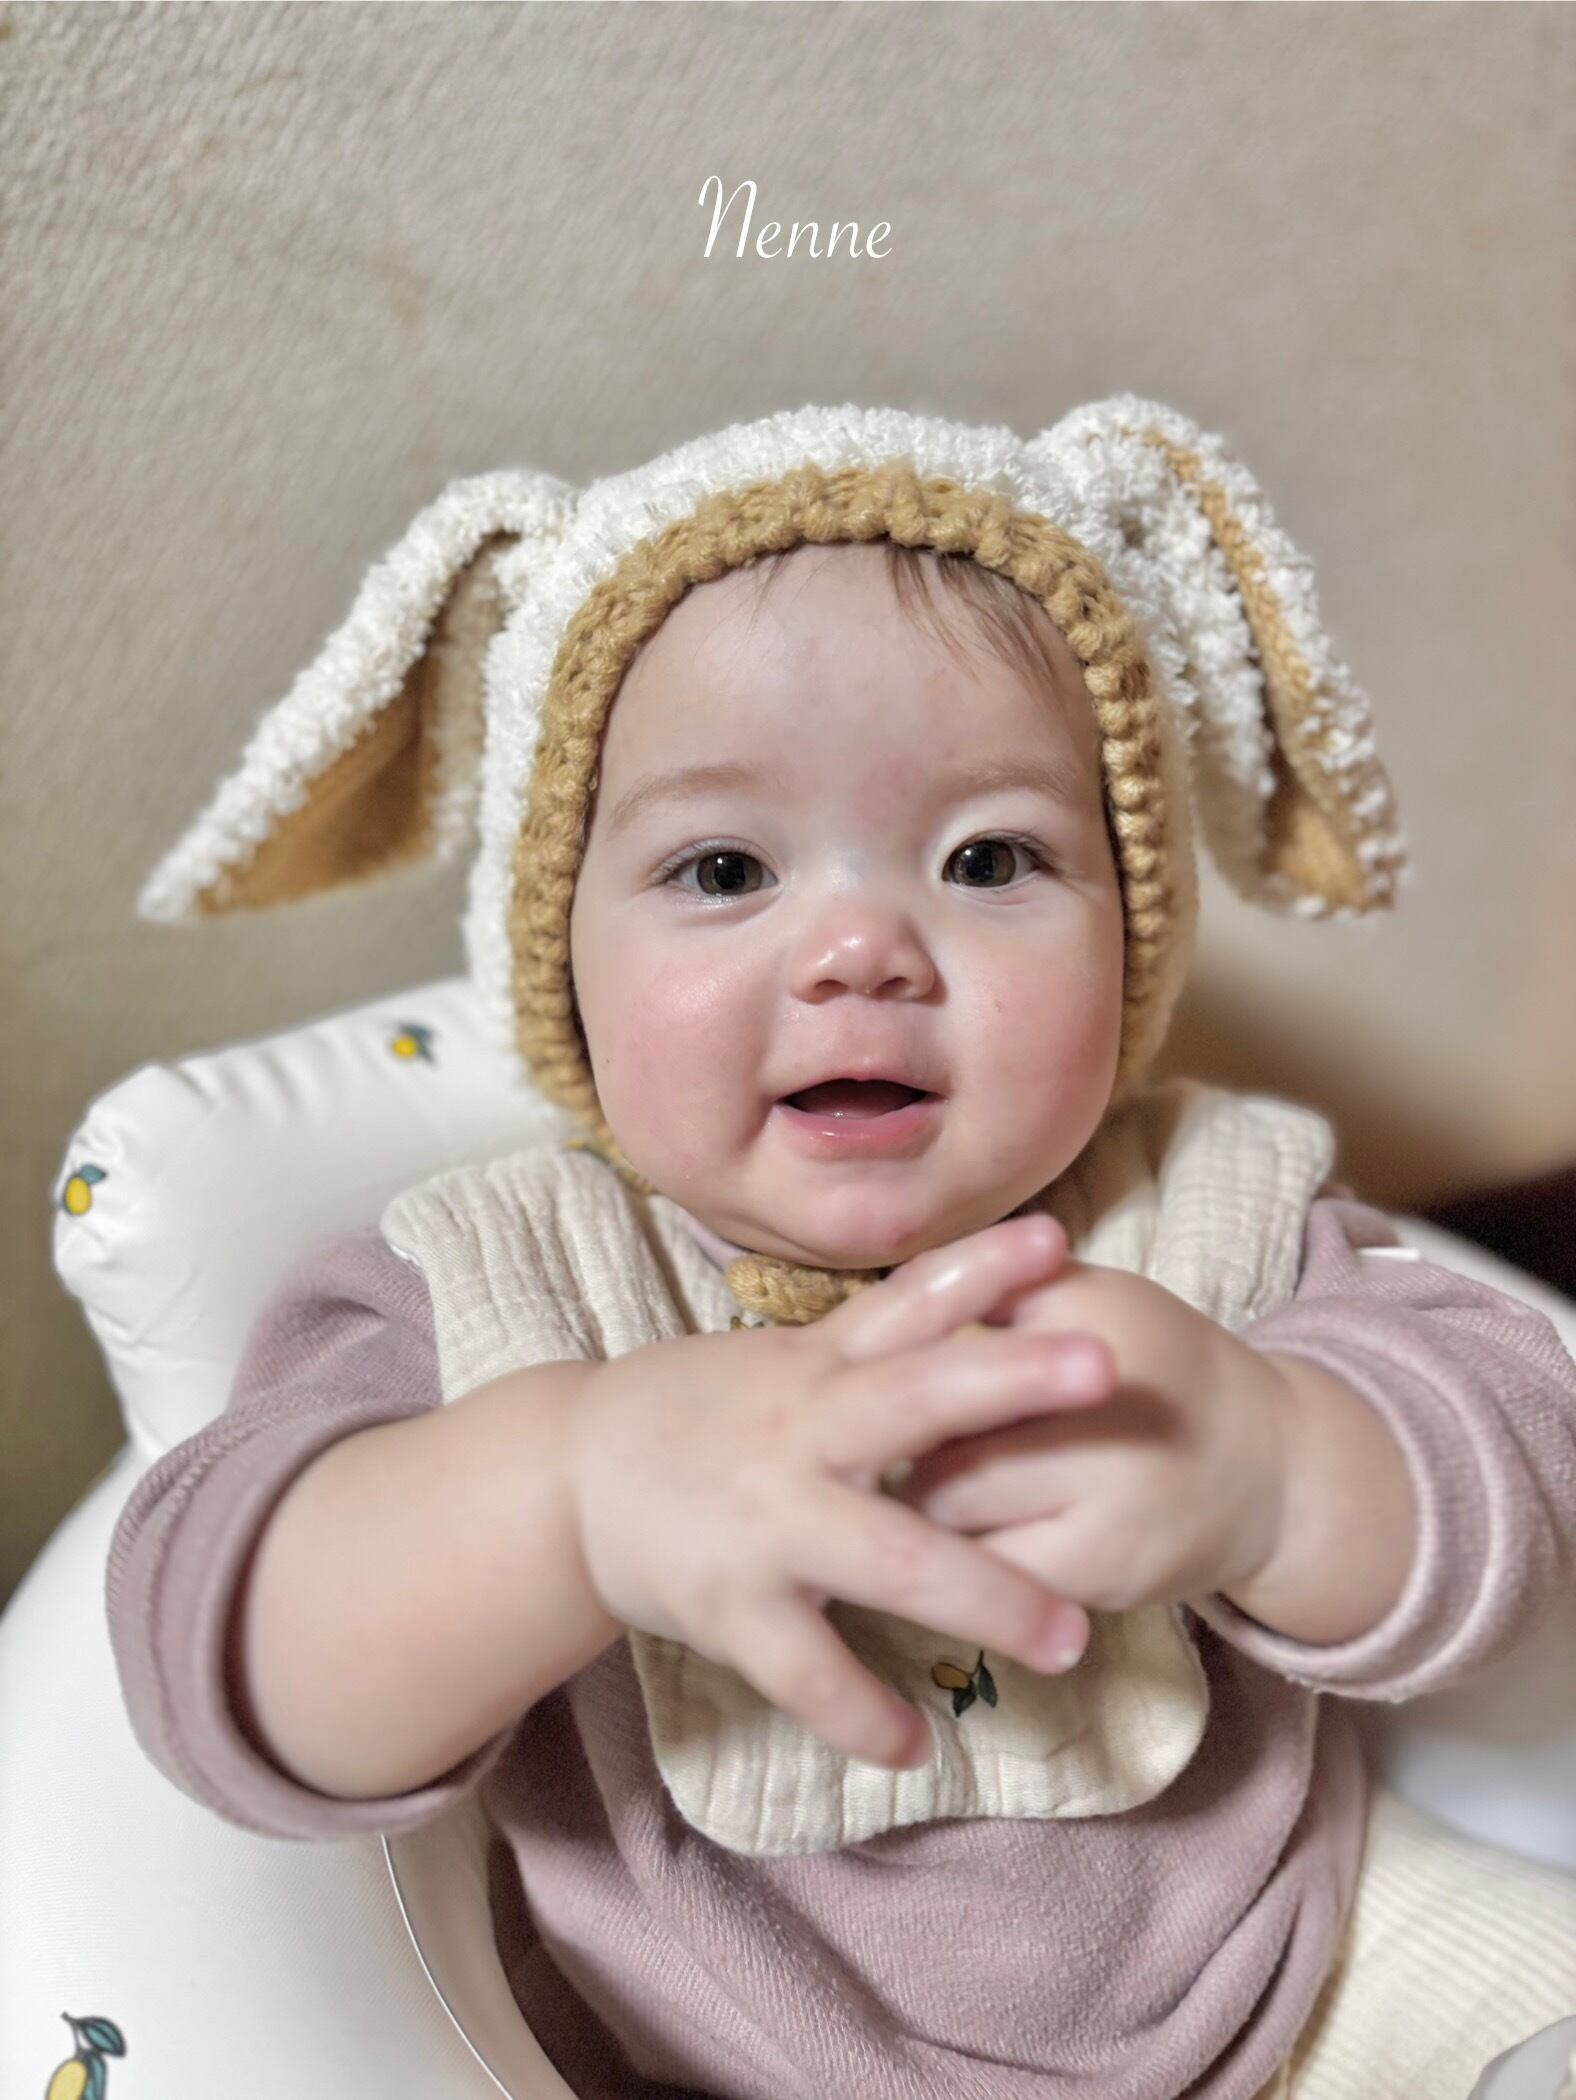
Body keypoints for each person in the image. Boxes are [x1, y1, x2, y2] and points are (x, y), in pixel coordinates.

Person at [109, 400, 1576, 2099]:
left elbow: (1523, 1450)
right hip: (718, 2059)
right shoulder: (500, 1275)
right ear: (563, 956)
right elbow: (214, 1643)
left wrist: (1274, 1464)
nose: (863, 948)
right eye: (725, 867)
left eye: (989, 857)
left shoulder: (1212, 1202)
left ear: (1133, 935)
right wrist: (569, 1496)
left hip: (1291, 1982)